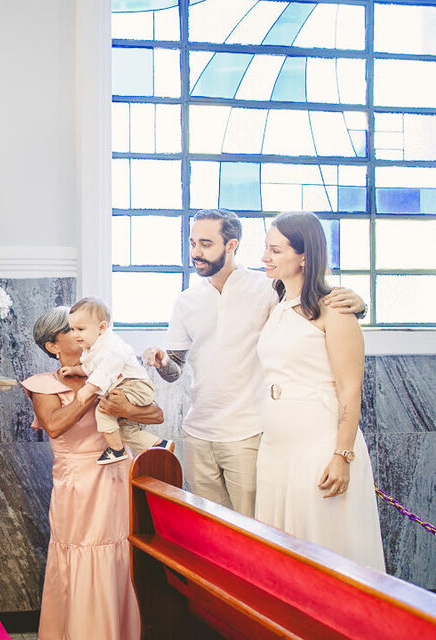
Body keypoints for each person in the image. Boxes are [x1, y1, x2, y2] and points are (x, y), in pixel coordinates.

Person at [143, 209, 364, 517]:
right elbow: (175, 369)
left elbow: (311, 303)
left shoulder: (268, 289)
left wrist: (358, 305)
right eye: (192, 243)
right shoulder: (186, 301)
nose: (195, 252)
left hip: (248, 432)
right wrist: (164, 362)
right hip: (197, 432)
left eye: (205, 244)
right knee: (208, 529)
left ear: (231, 245)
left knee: (252, 527)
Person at [22, 306, 163, 640]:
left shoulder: (112, 368)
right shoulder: (43, 385)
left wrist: (121, 404)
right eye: (70, 330)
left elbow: (155, 414)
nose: (79, 334)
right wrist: (93, 389)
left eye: (80, 328)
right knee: (83, 551)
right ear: (52, 346)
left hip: (120, 474)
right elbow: (54, 426)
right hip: (78, 485)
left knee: (120, 552)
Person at [255, 211, 385, 570]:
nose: (265, 257)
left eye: (275, 250)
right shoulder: (277, 305)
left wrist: (342, 455)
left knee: (325, 544)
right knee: (281, 548)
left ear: (304, 256)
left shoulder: (335, 309)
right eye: (266, 248)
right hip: (277, 446)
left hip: (319, 443)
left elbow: (350, 389)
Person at [61, 297, 172, 465]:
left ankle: (116, 450)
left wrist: (89, 388)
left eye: (81, 329)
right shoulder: (93, 347)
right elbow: (92, 368)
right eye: (72, 329)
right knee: (126, 430)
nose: (75, 334)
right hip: (127, 388)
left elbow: (106, 368)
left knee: (103, 411)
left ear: (102, 327)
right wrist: (75, 370)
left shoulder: (111, 345)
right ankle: (160, 445)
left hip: (135, 386)